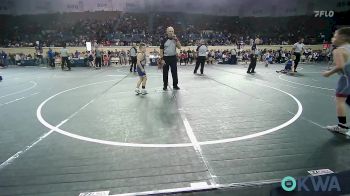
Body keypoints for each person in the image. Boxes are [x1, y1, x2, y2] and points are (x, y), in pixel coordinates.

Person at [323, 27, 350, 135]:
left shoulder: (338, 50)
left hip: (346, 79)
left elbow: (340, 66)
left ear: (342, 37)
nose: (333, 38)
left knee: (340, 100)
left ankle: (342, 126)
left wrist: (328, 73)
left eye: (335, 35)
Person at [159, 26, 181, 91]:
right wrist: (162, 59)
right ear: (167, 32)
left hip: (173, 58)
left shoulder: (175, 40)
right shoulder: (164, 40)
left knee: (174, 72)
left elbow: (179, 47)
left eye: (172, 31)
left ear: (173, 32)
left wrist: (176, 39)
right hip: (166, 58)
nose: (171, 32)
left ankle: (175, 85)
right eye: (170, 31)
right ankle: (165, 85)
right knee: (165, 73)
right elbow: (161, 50)